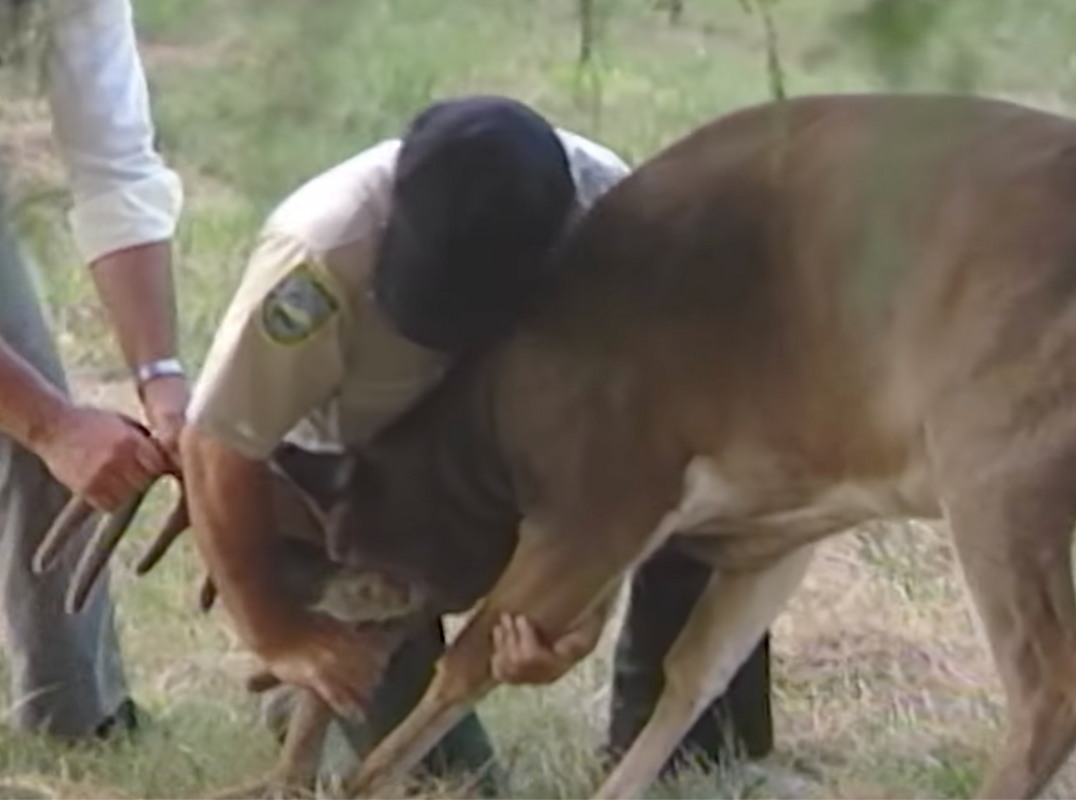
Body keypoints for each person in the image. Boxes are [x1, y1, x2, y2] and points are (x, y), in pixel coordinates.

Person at [179, 92, 773, 791]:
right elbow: (218, 446)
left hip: (528, 464)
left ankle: (696, 755)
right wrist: (275, 631)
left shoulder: (618, 220)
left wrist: (573, 625)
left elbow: (646, 442)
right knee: (452, 785)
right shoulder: (319, 253)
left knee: (714, 481)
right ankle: (312, 682)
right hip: (352, 488)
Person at [0, 0, 187, 740]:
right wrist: (50, 424)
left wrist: (164, 381)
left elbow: (115, 167)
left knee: (28, 410)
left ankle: (79, 729)